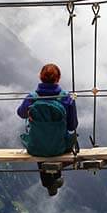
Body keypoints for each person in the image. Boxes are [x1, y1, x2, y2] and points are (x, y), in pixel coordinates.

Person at [17, 63, 78, 196]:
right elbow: (72, 125)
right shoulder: (66, 98)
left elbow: (21, 113)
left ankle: (49, 183)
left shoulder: (32, 97)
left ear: (40, 77)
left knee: (41, 144)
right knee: (55, 143)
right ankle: (54, 178)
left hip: (36, 146)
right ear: (58, 78)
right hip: (59, 146)